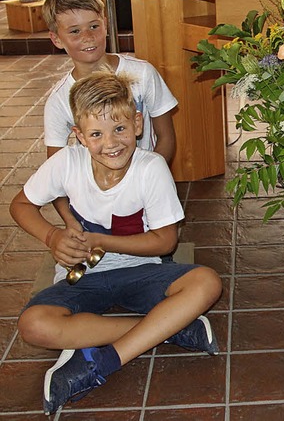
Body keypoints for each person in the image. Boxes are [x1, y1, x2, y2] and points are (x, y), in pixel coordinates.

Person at [9, 72, 222, 415]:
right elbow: (20, 204)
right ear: (78, 136)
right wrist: (52, 236)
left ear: (138, 124)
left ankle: (105, 360)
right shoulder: (66, 161)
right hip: (83, 277)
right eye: (96, 134)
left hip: (141, 272)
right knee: (33, 325)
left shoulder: (150, 168)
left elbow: (166, 242)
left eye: (120, 129)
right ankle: (169, 328)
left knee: (206, 281)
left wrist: (100, 240)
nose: (111, 143)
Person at [42, 0, 177, 232]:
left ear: (105, 23)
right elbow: (55, 172)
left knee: (157, 249)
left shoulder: (143, 74)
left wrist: (150, 184)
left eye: (94, 26)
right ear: (56, 39)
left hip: (144, 191)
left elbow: (166, 136)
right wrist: (71, 223)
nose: (88, 37)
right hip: (92, 204)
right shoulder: (58, 101)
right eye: (74, 31)